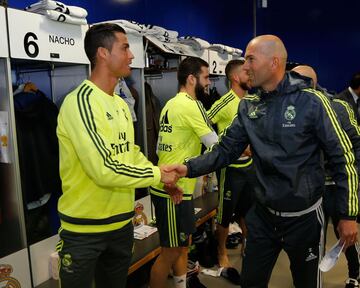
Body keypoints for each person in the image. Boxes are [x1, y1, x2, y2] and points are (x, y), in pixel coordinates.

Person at [167, 35, 359, 287]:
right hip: (263, 217)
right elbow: (225, 149)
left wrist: (348, 215)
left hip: (304, 219)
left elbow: (343, 158)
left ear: (274, 62)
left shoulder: (312, 102)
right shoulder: (249, 105)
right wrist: (188, 167)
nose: (244, 67)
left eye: (250, 59)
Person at [55, 23, 178, 288]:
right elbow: (103, 168)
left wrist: (162, 180)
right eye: (124, 47)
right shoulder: (80, 102)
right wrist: (157, 173)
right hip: (84, 231)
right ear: (102, 53)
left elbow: (130, 152)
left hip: (122, 225)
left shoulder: (121, 104)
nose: (132, 55)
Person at [149, 57, 218, 288]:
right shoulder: (192, 105)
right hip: (171, 189)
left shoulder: (170, 104)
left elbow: (160, 148)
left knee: (183, 245)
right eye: (206, 77)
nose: (209, 83)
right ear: (191, 79)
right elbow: (215, 144)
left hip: (177, 187)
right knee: (170, 252)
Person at [292, 65, 360, 288]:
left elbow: (357, 146)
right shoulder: (290, 108)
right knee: (312, 242)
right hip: (311, 189)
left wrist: (352, 185)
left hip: (338, 186)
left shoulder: (338, 106)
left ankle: (355, 275)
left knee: (346, 234)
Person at [207, 59, 255, 267]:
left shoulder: (251, 100)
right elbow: (205, 126)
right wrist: (230, 147)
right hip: (230, 169)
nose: (250, 76)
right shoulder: (225, 103)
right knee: (225, 214)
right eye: (246, 73)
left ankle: (247, 247)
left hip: (250, 167)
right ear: (235, 77)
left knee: (248, 211)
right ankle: (221, 253)